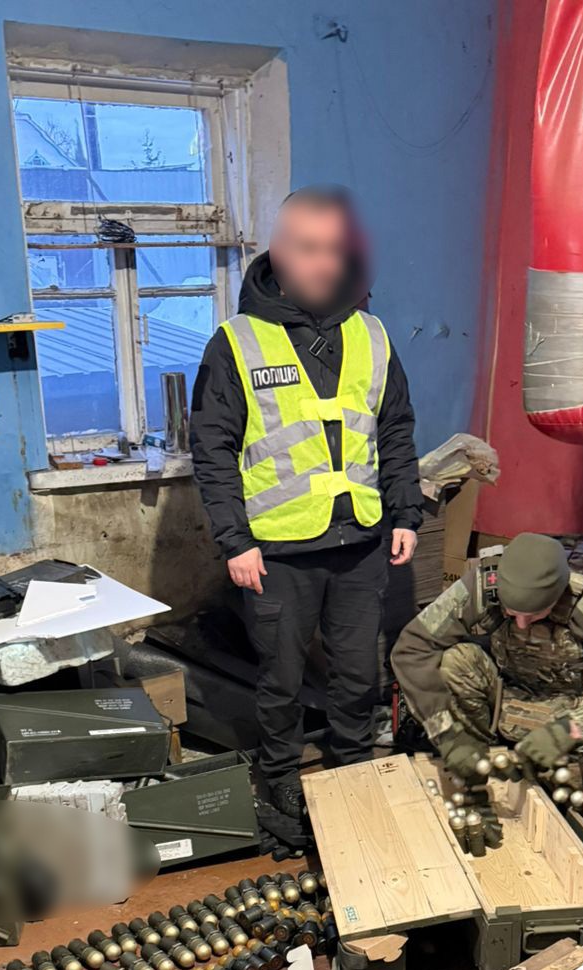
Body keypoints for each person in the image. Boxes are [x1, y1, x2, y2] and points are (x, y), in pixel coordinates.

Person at [189, 186, 423, 825]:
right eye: (307, 248)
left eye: (332, 250)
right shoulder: (237, 342)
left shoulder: (372, 334)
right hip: (277, 552)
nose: (322, 263)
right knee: (282, 681)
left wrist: (406, 512)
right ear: (279, 252)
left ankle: (352, 776)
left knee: (358, 677)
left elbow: (395, 429)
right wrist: (235, 541)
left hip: (362, 544)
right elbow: (211, 450)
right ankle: (281, 782)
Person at [391, 533, 583, 784]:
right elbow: (413, 647)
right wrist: (447, 734)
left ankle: (545, 777)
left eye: (535, 614)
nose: (522, 624)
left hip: (575, 707)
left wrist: (572, 728)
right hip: (511, 694)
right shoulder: (485, 581)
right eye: (511, 613)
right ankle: (479, 758)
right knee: (455, 662)